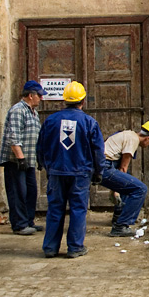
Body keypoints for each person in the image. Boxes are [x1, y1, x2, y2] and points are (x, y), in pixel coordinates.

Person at [37, 81, 104, 258]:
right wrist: (99, 171)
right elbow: (98, 149)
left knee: (55, 209)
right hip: (80, 173)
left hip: (57, 171)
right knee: (78, 209)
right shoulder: (89, 122)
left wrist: (44, 165)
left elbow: (41, 146)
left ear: (64, 100)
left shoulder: (51, 120)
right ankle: (75, 247)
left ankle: (50, 248)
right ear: (83, 101)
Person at [0, 80, 47, 235]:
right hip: (16, 161)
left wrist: (37, 158)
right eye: (39, 95)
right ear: (31, 95)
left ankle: (28, 221)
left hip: (29, 160)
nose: (41, 98)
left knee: (31, 191)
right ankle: (19, 224)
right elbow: (13, 136)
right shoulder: (18, 110)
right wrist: (20, 158)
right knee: (18, 191)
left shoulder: (33, 112)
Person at [100, 120, 149, 237]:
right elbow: (123, 168)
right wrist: (116, 191)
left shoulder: (128, 135)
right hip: (104, 166)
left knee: (128, 183)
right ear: (148, 138)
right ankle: (121, 226)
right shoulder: (133, 140)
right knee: (140, 189)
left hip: (101, 165)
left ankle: (118, 218)